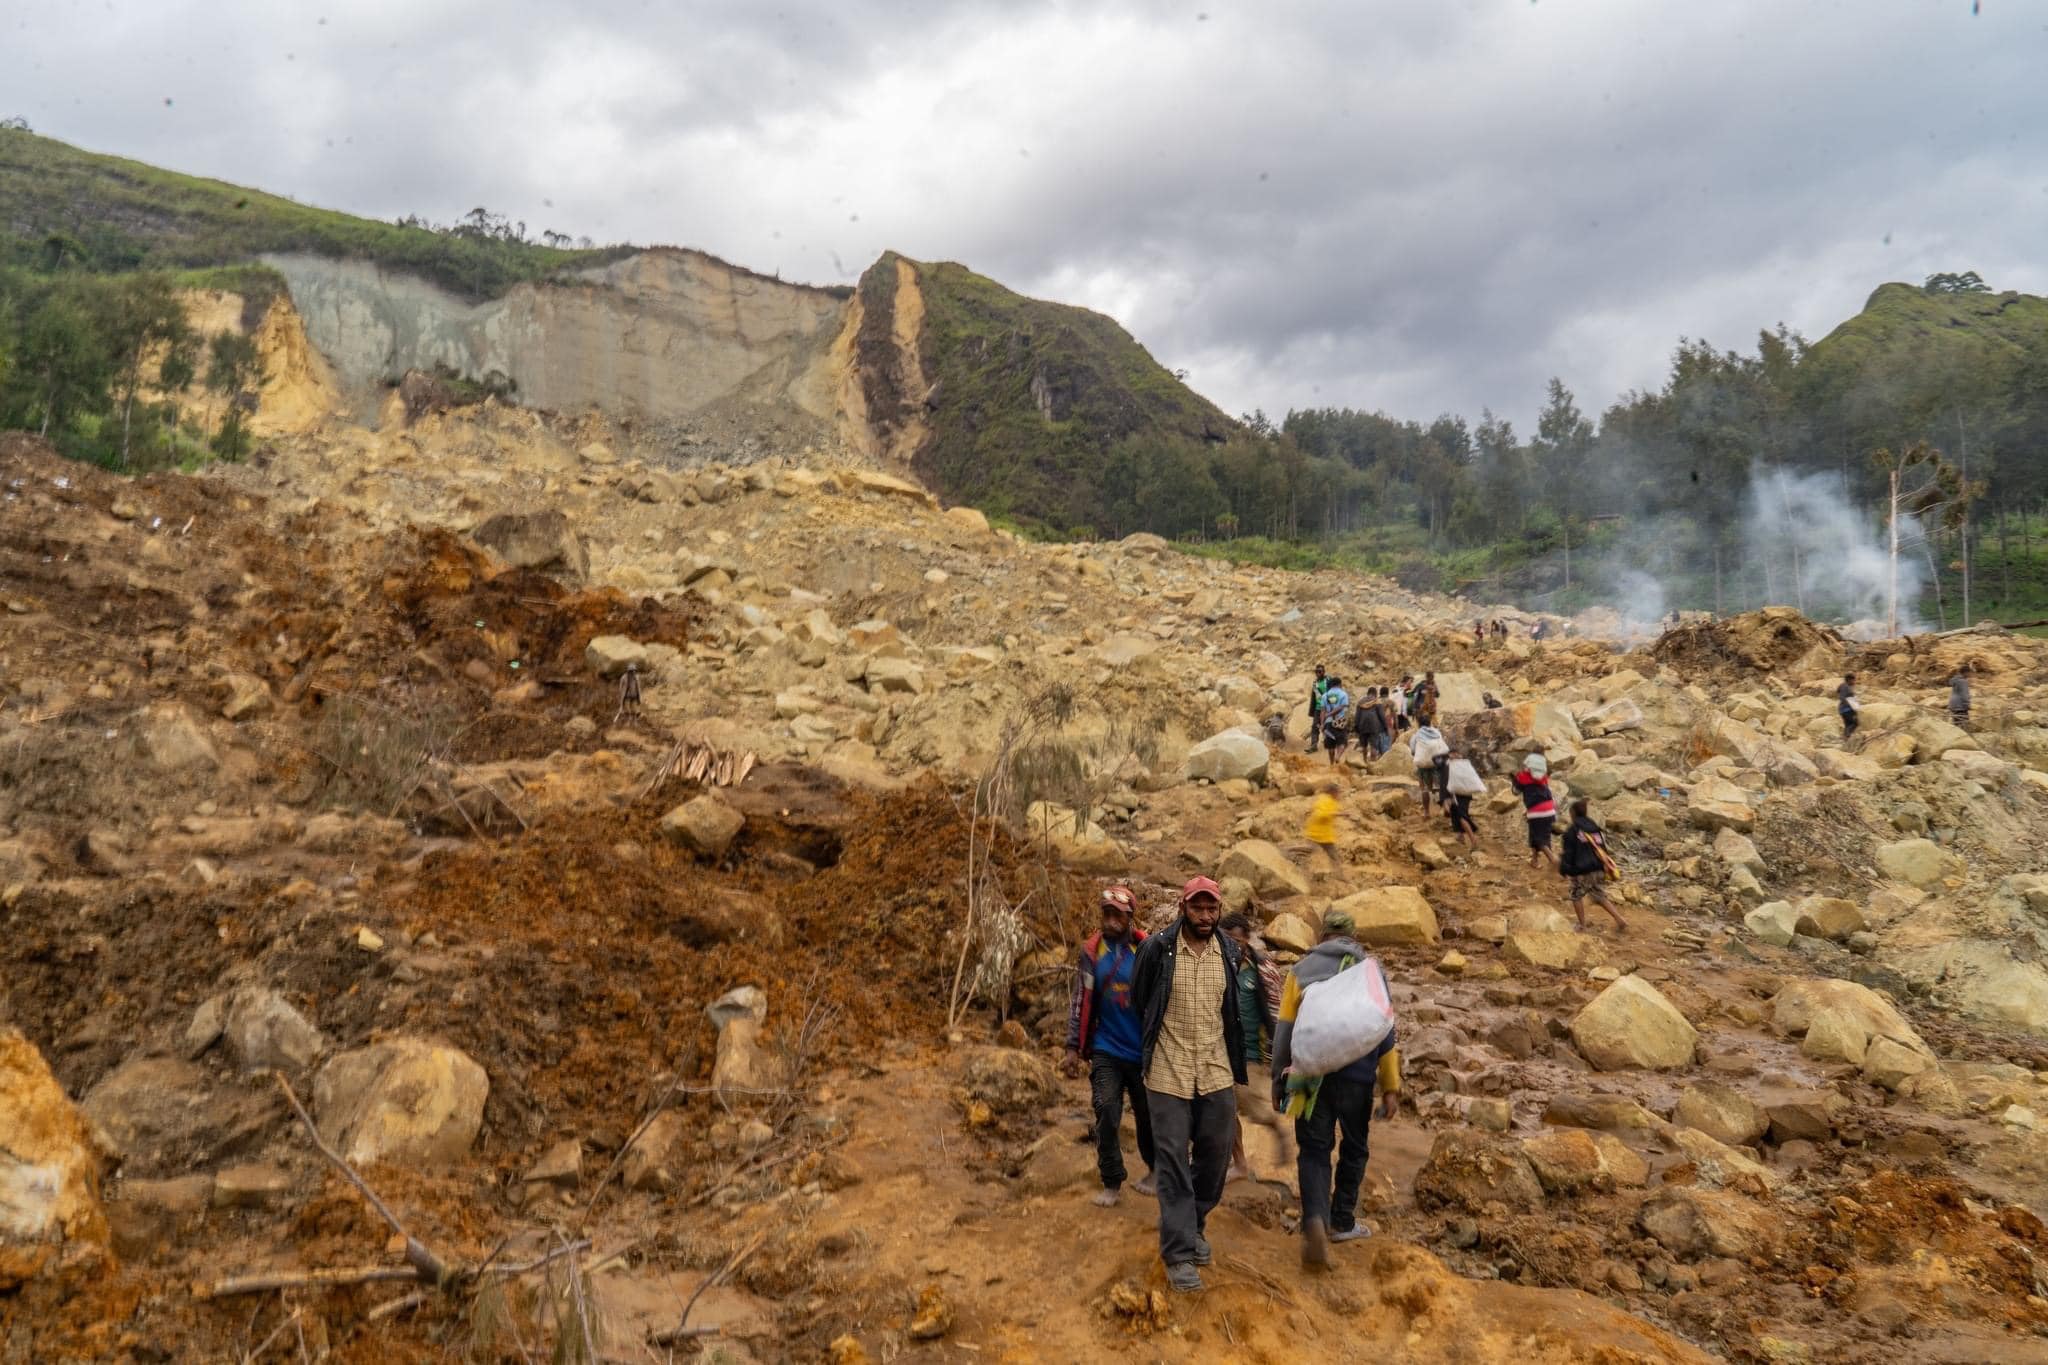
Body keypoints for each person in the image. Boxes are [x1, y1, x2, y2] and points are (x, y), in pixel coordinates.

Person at [1130, 877, 1249, 1294]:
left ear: (1218, 910)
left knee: (1216, 1156)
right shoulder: (1157, 949)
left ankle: (1195, 1221)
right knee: (1173, 1160)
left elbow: (1231, 1009)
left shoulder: (1230, 951)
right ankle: (1178, 1252)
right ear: (1183, 907)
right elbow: (1140, 1000)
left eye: (1211, 908)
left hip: (1215, 1070)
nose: (1204, 916)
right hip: (1167, 1071)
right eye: (1197, 908)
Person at [1268, 909, 1400, 1268]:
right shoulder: (1371, 971)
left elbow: (1284, 1030)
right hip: (1358, 1078)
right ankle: (1342, 1221)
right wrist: (1390, 1087)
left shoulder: (1300, 970)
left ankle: (1315, 1219)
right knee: (1355, 1149)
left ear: (1322, 935)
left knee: (1313, 1150)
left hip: (1311, 1077)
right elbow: (1385, 1032)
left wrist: (1278, 1077)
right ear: (1354, 938)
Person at [1062, 886, 1155, 1206]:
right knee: (1106, 1110)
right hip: (1107, 1049)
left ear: (1131, 917)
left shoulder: (1146, 950)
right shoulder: (1092, 953)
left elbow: (1162, 999)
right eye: (1107, 913)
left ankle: (1156, 1170)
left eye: (1118, 914)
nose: (1112, 920)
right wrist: (1073, 1048)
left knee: (1148, 1117)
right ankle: (1112, 1181)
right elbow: (1080, 1001)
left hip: (1143, 1052)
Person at [1219, 913, 1287, 1183]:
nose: (1233, 946)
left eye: (1237, 940)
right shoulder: (1216, 963)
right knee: (1224, 1108)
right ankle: (1238, 1163)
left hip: (1251, 1054)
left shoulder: (1262, 969)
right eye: (1227, 941)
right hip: (1220, 1051)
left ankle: (1274, 1128)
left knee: (1247, 1107)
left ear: (1247, 939)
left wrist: (1276, 1057)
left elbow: (1276, 1011)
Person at [1558, 799, 1626, 932]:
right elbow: (1602, 848)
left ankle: (1581, 925)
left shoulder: (1573, 831)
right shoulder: (1594, 827)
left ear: (1572, 813)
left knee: (1575, 894)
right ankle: (1620, 920)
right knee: (1598, 895)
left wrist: (1564, 869)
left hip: (1583, 870)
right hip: (1599, 868)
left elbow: (1568, 853)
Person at [1510, 753, 1558, 869]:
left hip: (1536, 811)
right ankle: (1534, 860)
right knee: (1542, 835)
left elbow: (1515, 792)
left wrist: (1514, 780)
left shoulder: (1523, 776)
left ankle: (1554, 861)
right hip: (1550, 809)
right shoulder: (1544, 776)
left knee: (1538, 838)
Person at [1443, 747, 1485, 849]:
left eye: (1455, 753)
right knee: (1456, 815)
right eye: (1452, 753)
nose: (1454, 755)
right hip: (1463, 794)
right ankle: (1460, 836)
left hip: (1458, 795)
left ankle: (1473, 840)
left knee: (1462, 817)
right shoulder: (1463, 764)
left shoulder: (1457, 765)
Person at [1408, 720, 1448, 815]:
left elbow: (1413, 750)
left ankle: (1426, 812)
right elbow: (1443, 748)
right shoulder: (1437, 732)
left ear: (1418, 724)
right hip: (1436, 764)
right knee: (1440, 787)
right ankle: (1445, 807)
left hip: (1423, 765)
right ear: (1430, 722)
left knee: (1425, 789)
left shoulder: (1416, 735)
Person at [1304, 782, 1341, 874]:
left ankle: (1339, 875)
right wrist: (1337, 814)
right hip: (1315, 835)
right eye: (1338, 793)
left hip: (1325, 836)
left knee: (1334, 856)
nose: (1339, 795)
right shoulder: (1323, 800)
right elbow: (1320, 814)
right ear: (1332, 792)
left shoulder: (1332, 802)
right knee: (1309, 853)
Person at [1319, 677, 1352, 764]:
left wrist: (1322, 723)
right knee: (1342, 742)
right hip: (1339, 722)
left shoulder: (1324, 696)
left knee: (1330, 745)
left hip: (1328, 723)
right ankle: (1338, 757)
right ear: (1340, 684)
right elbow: (1343, 707)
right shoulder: (1343, 694)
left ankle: (1332, 764)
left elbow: (1322, 711)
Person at [1353, 682, 1388, 758]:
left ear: (1368, 693)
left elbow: (1357, 716)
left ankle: (1365, 761)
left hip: (1362, 725)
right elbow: (1381, 716)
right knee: (1373, 745)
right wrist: (1385, 727)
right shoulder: (1377, 702)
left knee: (1364, 745)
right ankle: (1372, 762)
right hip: (1374, 726)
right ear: (1375, 694)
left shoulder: (1360, 702)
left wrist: (1356, 726)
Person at [1306, 665, 1331, 754]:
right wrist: (1311, 710)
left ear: (1324, 672)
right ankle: (1314, 745)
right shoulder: (1315, 683)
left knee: (1328, 725)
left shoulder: (1328, 680)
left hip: (1327, 707)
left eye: (1320, 671)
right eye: (1316, 671)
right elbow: (1314, 697)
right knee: (1315, 726)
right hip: (1318, 708)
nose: (1318, 673)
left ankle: (1329, 741)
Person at [1837, 673, 1860, 742]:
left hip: (1844, 709)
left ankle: (1845, 738)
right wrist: (1851, 705)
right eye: (1853, 680)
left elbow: (1838, 692)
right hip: (1846, 709)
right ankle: (1847, 736)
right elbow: (1842, 697)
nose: (1854, 682)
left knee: (1848, 724)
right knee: (1855, 723)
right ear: (1849, 680)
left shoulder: (1844, 686)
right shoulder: (1845, 686)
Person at [1949, 666, 1972, 730]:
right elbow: (1964, 695)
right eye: (1969, 673)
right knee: (1964, 724)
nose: (1970, 674)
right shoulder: (1963, 681)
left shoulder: (1955, 680)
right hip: (1960, 705)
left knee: (1956, 723)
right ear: (1965, 673)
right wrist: (1967, 704)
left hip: (1953, 704)